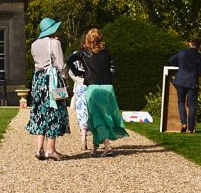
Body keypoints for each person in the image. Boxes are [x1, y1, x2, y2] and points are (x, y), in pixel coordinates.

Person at [72, 29, 128, 155]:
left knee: (96, 118)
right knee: (105, 115)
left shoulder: (83, 53)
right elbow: (114, 69)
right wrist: (107, 76)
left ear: (87, 39)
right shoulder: (106, 52)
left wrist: (80, 73)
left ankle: (107, 145)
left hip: (93, 88)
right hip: (108, 88)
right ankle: (94, 146)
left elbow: (69, 60)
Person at [28, 17, 71, 160]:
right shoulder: (55, 43)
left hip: (38, 80)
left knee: (40, 112)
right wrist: (65, 80)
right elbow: (61, 64)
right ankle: (51, 150)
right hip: (51, 80)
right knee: (53, 111)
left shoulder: (34, 44)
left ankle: (39, 149)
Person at [168, 38, 201, 133]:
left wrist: (180, 66)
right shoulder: (200, 57)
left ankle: (184, 123)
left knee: (181, 101)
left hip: (180, 81)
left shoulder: (182, 52)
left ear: (190, 44)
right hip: (192, 82)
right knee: (192, 105)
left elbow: (171, 60)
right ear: (199, 46)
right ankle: (190, 128)